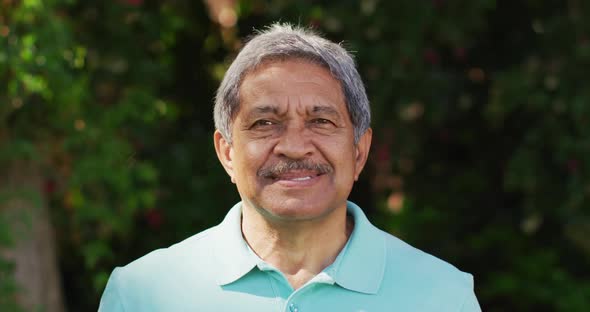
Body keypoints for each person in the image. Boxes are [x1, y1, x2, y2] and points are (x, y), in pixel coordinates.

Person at [98, 23, 481, 311]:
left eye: (321, 121)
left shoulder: (444, 296)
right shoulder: (140, 294)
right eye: (265, 123)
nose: (295, 147)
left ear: (359, 152)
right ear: (227, 152)